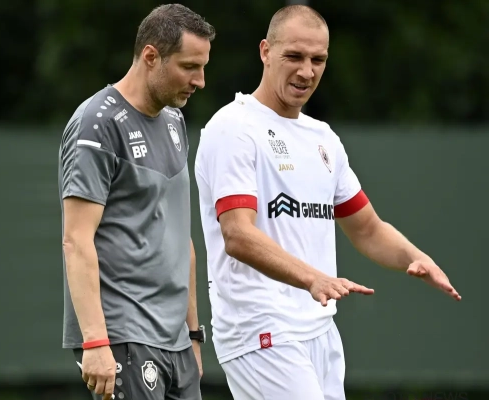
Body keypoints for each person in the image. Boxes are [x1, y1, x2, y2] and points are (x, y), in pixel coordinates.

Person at [194, 5, 461, 400]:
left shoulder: (323, 139)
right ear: (266, 51)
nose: (307, 71)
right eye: (294, 56)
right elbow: (237, 235)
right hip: (260, 330)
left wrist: (415, 257)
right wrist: (312, 278)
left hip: (319, 329)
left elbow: (367, 228)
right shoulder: (233, 128)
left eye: (318, 60)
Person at [57, 5, 215, 400]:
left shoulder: (175, 121)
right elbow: (76, 240)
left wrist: (193, 334)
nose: (200, 81)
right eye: (189, 67)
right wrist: (95, 341)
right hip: (124, 337)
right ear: (151, 57)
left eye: (202, 67)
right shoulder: (96, 123)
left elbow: (180, 236)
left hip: (177, 341)